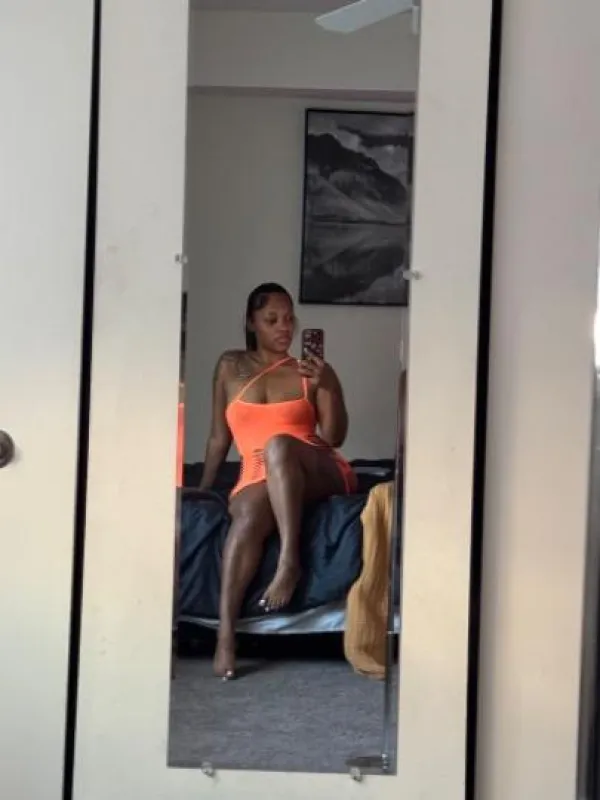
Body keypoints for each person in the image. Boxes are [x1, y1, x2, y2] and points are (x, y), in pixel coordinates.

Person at [198, 282, 357, 679]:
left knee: (280, 445)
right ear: (251, 322)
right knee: (248, 516)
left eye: (289, 319)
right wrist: (203, 487)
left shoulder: (308, 371)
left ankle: (289, 562)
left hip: (315, 465)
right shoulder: (229, 366)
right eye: (272, 320)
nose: (284, 327)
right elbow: (218, 438)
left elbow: (335, 437)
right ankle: (226, 636)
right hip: (256, 473)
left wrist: (330, 385)